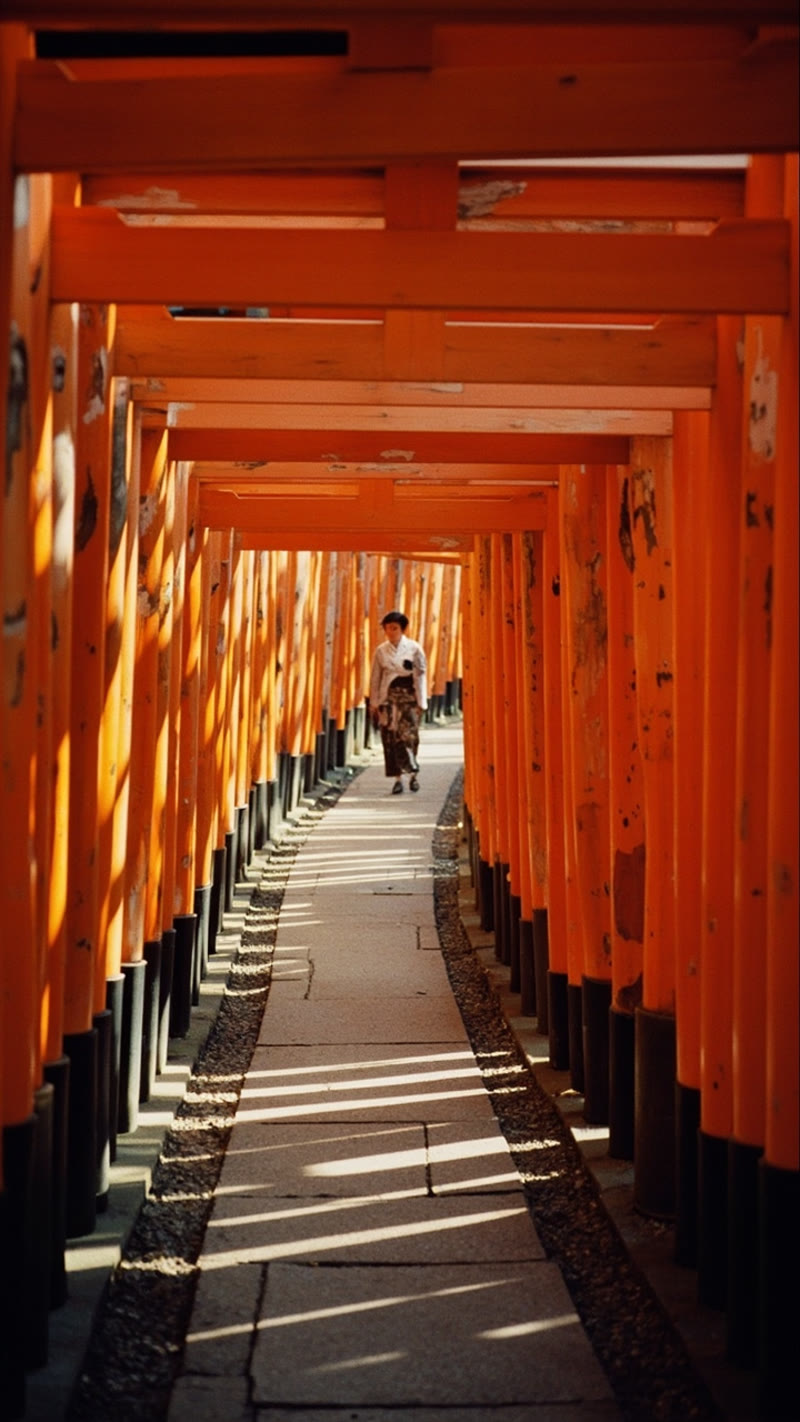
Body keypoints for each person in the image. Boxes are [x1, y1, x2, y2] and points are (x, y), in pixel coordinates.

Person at [369, 610, 428, 794]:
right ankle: (397, 779)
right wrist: (375, 701)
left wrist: (421, 702)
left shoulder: (414, 648)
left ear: (402, 629)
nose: (391, 632)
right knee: (391, 738)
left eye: (394, 628)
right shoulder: (381, 651)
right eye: (387, 628)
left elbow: (421, 675)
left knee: (409, 736)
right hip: (389, 698)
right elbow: (376, 677)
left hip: (409, 698)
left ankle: (413, 774)